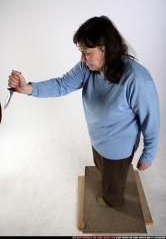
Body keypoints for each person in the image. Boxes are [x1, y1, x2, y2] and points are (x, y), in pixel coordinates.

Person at [8, 16, 160, 207]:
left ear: (105, 48)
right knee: (102, 169)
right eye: (81, 52)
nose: (82, 59)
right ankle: (113, 182)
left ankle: (114, 204)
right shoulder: (87, 67)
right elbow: (61, 85)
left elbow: (151, 120)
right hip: (97, 140)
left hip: (118, 150)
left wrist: (149, 154)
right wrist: (26, 88)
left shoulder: (137, 79)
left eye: (87, 52)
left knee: (112, 194)